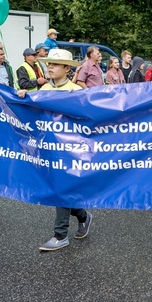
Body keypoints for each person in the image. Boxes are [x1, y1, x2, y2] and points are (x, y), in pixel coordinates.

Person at [16, 49, 93, 251]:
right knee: (59, 189)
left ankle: (60, 235)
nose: (50, 66)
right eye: (49, 63)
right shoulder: (41, 91)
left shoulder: (76, 91)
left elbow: (89, 119)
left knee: (61, 188)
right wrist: (22, 96)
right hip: (48, 148)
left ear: (67, 69)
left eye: (55, 64)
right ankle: (83, 215)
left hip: (69, 150)